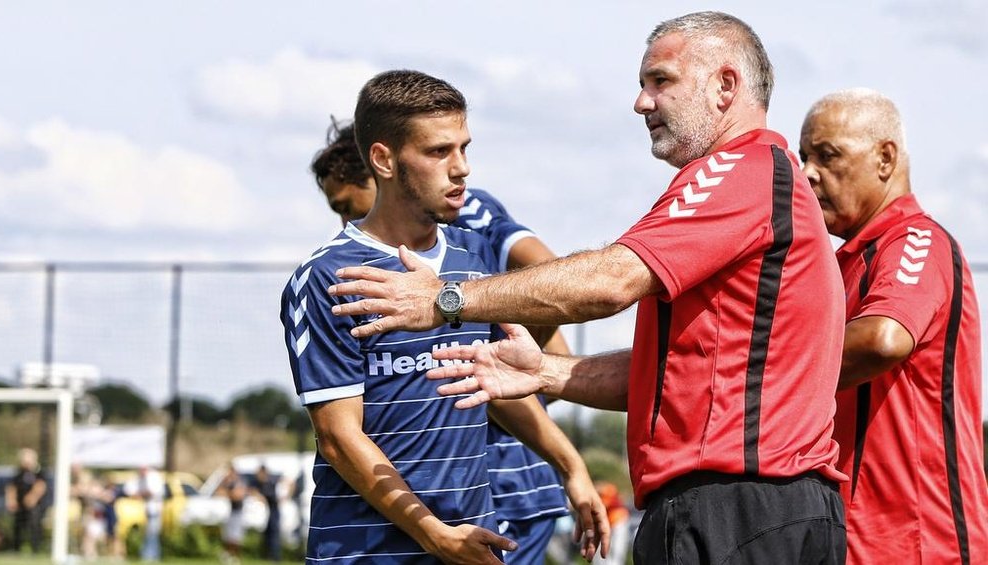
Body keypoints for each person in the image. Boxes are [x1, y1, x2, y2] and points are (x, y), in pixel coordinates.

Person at [329, 12, 849, 565]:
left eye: (660, 80)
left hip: (742, 509)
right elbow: (673, 376)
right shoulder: (749, 181)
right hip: (758, 510)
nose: (641, 102)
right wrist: (548, 372)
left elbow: (609, 281)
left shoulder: (741, 171)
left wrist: (444, 299)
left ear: (726, 85)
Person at [281, 69, 609, 564]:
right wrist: (432, 532)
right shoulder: (329, 276)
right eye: (439, 152)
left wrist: (570, 466)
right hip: (368, 552)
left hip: (474, 542)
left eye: (464, 148)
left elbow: (490, 387)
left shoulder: (472, 265)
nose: (462, 169)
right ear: (384, 160)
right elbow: (338, 438)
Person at [799, 88, 988, 564]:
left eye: (828, 155)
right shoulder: (839, 265)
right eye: (803, 157)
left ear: (885, 158)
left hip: (918, 541)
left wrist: (759, 373)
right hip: (847, 538)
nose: (807, 173)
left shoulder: (915, 239)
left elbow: (884, 338)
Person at [5, 447, 48, 554]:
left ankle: (35, 549)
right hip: (20, 505)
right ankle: (16, 549)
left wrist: (32, 497)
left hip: (34, 506)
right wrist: (11, 500)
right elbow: (12, 487)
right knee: (17, 526)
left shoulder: (39, 472)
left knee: (34, 525)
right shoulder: (18, 473)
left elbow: (41, 486)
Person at [126, 466, 164, 562]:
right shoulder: (141, 479)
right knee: (148, 533)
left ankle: (151, 555)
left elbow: (151, 492)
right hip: (146, 510)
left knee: (152, 533)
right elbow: (130, 490)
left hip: (154, 510)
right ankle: (148, 554)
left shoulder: (153, 477)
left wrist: (140, 494)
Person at [217, 464, 247, 563]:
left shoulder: (239, 483)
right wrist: (225, 481)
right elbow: (219, 492)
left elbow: (237, 496)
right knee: (228, 536)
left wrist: (228, 493)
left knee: (236, 536)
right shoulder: (229, 483)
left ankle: (236, 557)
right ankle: (229, 555)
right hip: (231, 512)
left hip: (238, 512)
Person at [251, 464, 281, 562]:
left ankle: (275, 557)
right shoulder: (258, 483)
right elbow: (251, 490)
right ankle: (266, 555)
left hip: (274, 511)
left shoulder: (272, 481)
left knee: (274, 534)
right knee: (266, 535)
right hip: (266, 512)